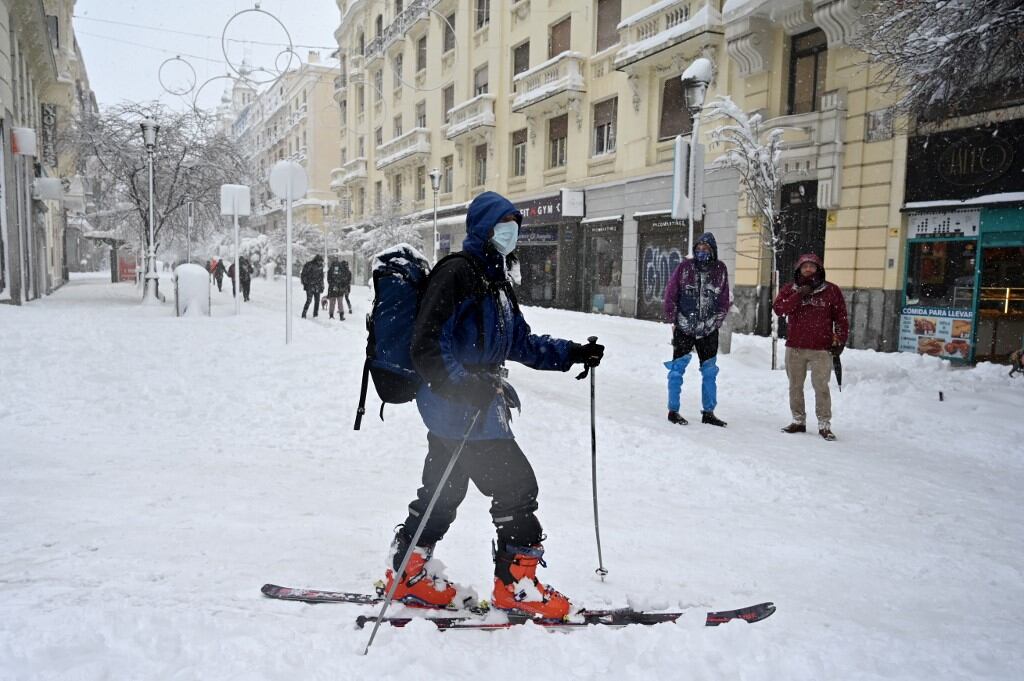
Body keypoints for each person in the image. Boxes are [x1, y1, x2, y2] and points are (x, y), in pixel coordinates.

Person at [382, 191, 604, 620]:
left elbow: (521, 342)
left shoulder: (497, 280)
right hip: (457, 407)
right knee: (516, 487)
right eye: (504, 226)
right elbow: (427, 344)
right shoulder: (457, 273)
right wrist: (464, 386)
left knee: (444, 489)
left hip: (473, 406)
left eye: (515, 228)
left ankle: (408, 571)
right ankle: (517, 587)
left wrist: (573, 353)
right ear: (484, 228)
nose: (511, 235)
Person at [772, 253, 849, 441]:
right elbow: (779, 309)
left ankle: (824, 424)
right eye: (804, 266)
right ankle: (798, 420)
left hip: (821, 348)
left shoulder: (831, 290)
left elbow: (841, 318)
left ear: (819, 269)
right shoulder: (790, 289)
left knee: (821, 387)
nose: (808, 269)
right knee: (795, 386)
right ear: (799, 269)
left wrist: (840, 340)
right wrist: (798, 295)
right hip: (795, 347)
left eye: (812, 266)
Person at [662, 232, 731, 427]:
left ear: (713, 250)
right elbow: (671, 293)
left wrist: (717, 321)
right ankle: (673, 410)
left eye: (706, 248)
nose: (702, 252)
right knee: (676, 370)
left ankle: (709, 412)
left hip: (709, 329)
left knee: (710, 372)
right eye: (699, 248)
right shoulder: (685, 267)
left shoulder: (720, 269)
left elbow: (724, 298)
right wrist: (673, 319)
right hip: (684, 326)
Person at [300, 254, 324, 318]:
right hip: (310, 286)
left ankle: (315, 314)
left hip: (317, 286)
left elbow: (321, 277)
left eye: (321, 261)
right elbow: (303, 275)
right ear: (316, 260)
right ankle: (304, 313)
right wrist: (307, 282)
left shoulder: (321, 266)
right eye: (320, 261)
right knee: (309, 300)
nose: (320, 262)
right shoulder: (309, 265)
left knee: (317, 301)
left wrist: (322, 286)